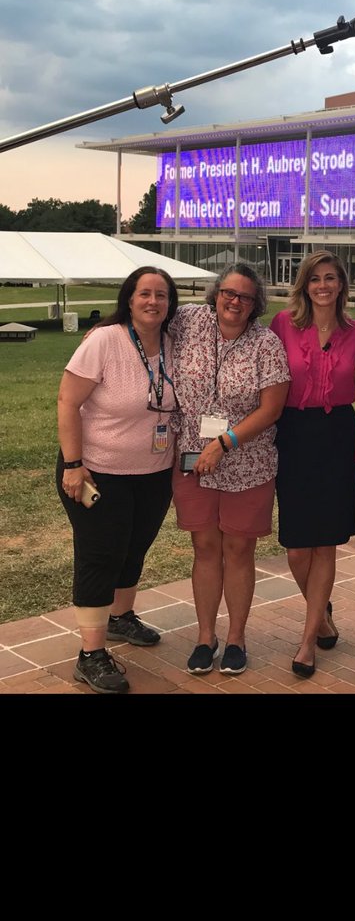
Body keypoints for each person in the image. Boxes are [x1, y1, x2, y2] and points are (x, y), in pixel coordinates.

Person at [56, 267, 179, 694]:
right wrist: (73, 464)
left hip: (152, 473)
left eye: (161, 295)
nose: (153, 302)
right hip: (96, 471)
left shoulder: (170, 343)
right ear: (129, 299)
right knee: (100, 555)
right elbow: (68, 402)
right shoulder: (105, 341)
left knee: (133, 548)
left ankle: (120, 618)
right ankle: (90, 654)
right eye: (144, 293)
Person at [170, 263, 290, 677]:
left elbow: (271, 409)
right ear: (215, 293)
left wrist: (225, 442)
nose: (235, 302)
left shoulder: (267, 344)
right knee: (204, 549)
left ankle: (236, 637)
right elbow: (144, 319)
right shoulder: (188, 322)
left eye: (245, 296)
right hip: (192, 459)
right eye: (228, 293)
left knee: (239, 550)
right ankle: (206, 636)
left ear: (256, 304)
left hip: (248, 463)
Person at [270, 252, 355, 678]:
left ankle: (308, 641)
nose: (323, 286)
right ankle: (321, 615)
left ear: (341, 285)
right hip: (293, 435)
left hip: (339, 436)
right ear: (304, 286)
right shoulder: (283, 325)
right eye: (315, 279)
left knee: (325, 542)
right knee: (295, 545)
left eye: (331, 278)